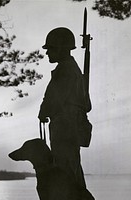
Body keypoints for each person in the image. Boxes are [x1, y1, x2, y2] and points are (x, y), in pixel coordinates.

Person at [38, 27, 92, 189]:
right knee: (72, 171)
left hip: (64, 127)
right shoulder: (71, 68)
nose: (47, 53)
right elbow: (86, 105)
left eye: (51, 49)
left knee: (65, 173)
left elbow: (55, 97)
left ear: (61, 48)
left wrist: (43, 111)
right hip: (69, 126)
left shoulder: (65, 69)